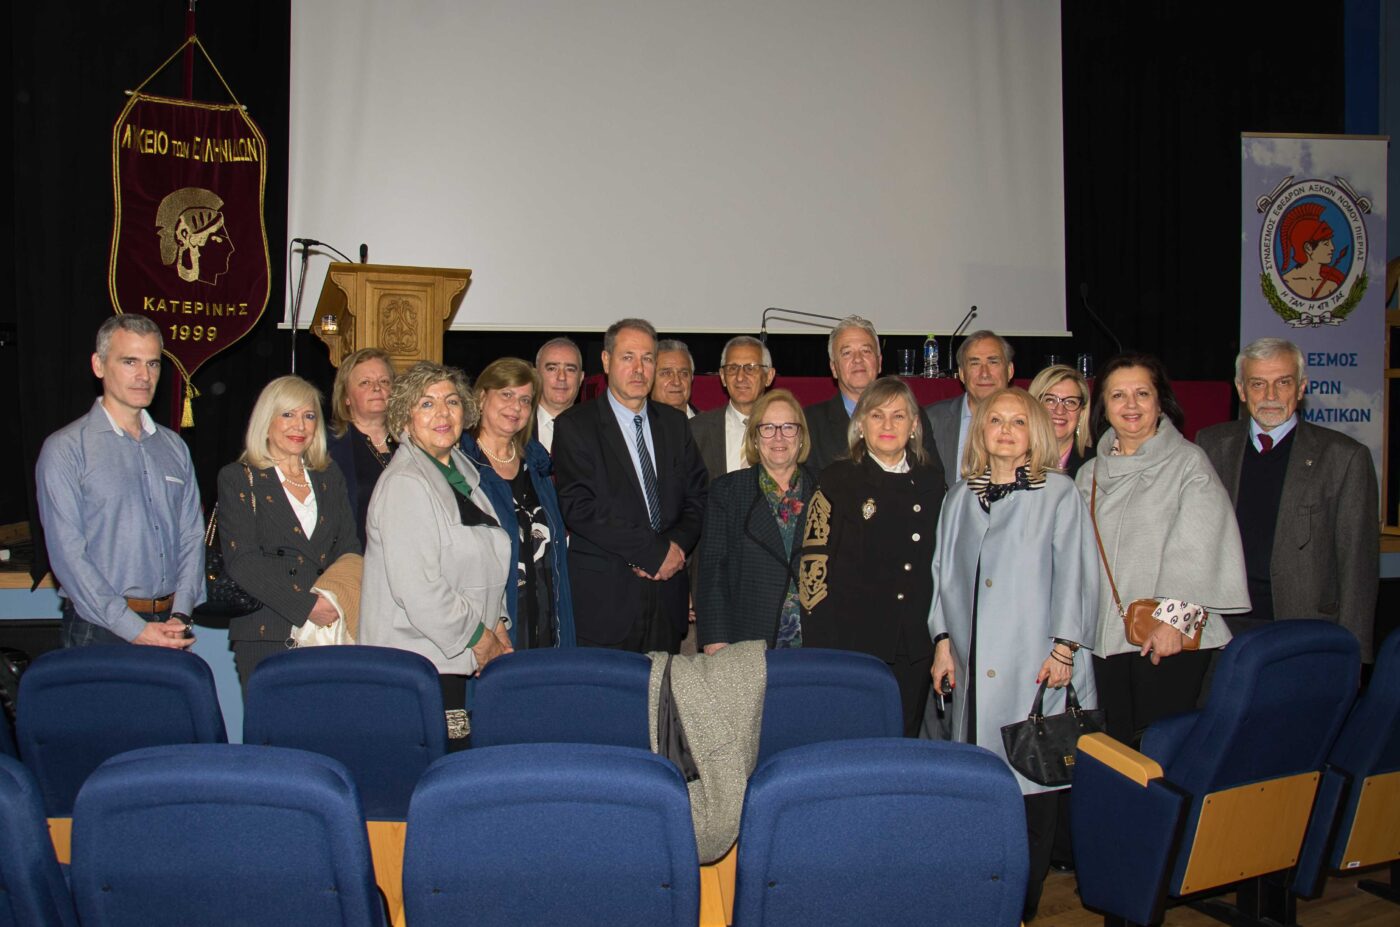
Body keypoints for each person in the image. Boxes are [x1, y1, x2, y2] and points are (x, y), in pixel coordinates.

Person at [928, 387, 1098, 920]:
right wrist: (941, 644)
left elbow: (1077, 572)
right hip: (972, 669)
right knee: (979, 787)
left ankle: (1021, 904)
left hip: (1036, 667)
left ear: (1035, 433)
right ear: (980, 431)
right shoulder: (959, 497)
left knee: (1032, 786)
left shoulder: (1059, 493)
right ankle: (980, 893)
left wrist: (1066, 649)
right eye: (994, 420)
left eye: (1017, 421)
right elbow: (941, 577)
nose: (1004, 429)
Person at [1075, 353, 1250, 746]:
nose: (1131, 405)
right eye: (1118, 395)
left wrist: (1174, 621)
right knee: (1115, 750)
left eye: (1142, 393)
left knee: (1161, 751)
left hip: (1166, 638)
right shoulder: (1090, 474)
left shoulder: (1188, 463)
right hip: (1106, 637)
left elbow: (1201, 542)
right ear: (1104, 405)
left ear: (1160, 402)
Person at [359, 362, 514, 746]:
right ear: (405, 418)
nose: (443, 414)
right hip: (419, 663)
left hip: (459, 656)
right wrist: (482, 640)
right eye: (426, 404)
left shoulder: (463, 472)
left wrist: (498, 623)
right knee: (434, 781)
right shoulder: (406, 483)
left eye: (451, 402)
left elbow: (486, 560)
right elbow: (420, 591)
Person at [1196, 337, 1378, 659]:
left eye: (1283, 382)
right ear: (1241, 390)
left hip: (1305, 633)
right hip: (1221, 633)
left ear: (1301, 387)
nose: (1270, 396)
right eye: (1257, 384)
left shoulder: (1344, 458)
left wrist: (1354, 655)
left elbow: (1358, 568)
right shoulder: (1211, 445)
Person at [36, 315, 203, 648]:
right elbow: (69, 555)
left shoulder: (174, 448)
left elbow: (191, 535)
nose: (144, 376)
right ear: (98, 365)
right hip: (98, 629)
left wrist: (181, 613)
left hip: (171, 625)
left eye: (153, 364)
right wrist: (134, 628)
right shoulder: (66, 449)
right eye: (130, 362)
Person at [799, 377, 944, 736]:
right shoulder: (837, 480)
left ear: (914, 425)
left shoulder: (932, 482)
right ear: (861, 425)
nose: (888, 425)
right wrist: (822, 647)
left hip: (912, 642)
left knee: (902, 739)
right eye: (877, 416)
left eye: (899, 416)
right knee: (851, 742)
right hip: (852, 643)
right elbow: (813, 565)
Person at [553, 318, 709, 653]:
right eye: (628, 358)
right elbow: (579, 507)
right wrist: (651, 553)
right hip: (606, 604)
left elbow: (697, 496)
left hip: (667, 600)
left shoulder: (675, 424)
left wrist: (676, 549)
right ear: (607, 362)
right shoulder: (575, 426)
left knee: (662, 704)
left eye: (648, 359)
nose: (639, 369)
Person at [217, 376, 361, 685]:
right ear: (266, 421)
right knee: (273, 732)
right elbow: (242, 560)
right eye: (288, 414)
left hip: (328, 631)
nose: (300, 425)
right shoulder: (239, 478)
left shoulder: (328, 475)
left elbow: (349, 548)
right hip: (267, 632)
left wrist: (335, 603)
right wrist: (307, 607)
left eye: (309, 416)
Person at [459, 357, 577, 651]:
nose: (516, 407)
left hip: (547, 612)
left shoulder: (536, 464)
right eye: (507, 395)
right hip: (494, 619)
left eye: (525, 400)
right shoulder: (462, 465)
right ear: (483, 398)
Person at [695, 390, 816, 652]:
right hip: (748, 637)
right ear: (754, 438)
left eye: (788, 427)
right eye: (768, 428)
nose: (779, 437)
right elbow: (713, 571)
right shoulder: (727, 492)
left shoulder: (826, 490)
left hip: (815, 638)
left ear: (802, 436)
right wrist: (715, 639)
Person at [805, 315, 943, 477]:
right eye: (847, 353)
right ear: (834, 368)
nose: (857, 359)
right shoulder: (810, 421)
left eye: (865, 351)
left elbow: (934, 477)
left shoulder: (909, 414)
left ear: (879, 362)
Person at [924, 330, 1015, 488]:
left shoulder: (1028, 422)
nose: (984, 373)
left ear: (1009, 370)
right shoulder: (931, 419)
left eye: (993, 362)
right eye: (974, 363)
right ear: (961, 374)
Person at [326, 347, 396, 547]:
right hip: (354, 560)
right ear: (346, 396)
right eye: (365, 382)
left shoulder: (412, 441)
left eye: (384, 381)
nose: (377, 388)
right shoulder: (327, 445)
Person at [690, 335, 777, 483]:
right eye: (732, 368)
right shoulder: (695, 430)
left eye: (750, 368)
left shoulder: (788, 430)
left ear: (769, 376)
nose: (740, 377)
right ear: (723, 377)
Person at [1028, 364, 1094, 476]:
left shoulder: (1096, 465)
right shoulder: (1013, 460)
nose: (1060, 411)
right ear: (1034, 405)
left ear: (1082, 412)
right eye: (1050, 400)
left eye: (1070, 402)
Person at [1279, 202, 1344, 300]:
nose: (1333, 247)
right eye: (1326, 244)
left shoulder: (1331, 286)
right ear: (1308, 248)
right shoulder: (1286, 284)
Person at [534, 337, 584, 453]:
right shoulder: (516, 426)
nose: (561, 377)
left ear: (581, 378)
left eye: (570, 369)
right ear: (536, 376)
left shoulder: (597, 431)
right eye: (552, 368)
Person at [651, 339, 697, 418]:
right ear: (649, 379)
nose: (677, 382)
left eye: (683, 374)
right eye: (666, 373)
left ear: (692, 378)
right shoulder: (634, 426)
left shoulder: (712, 427)